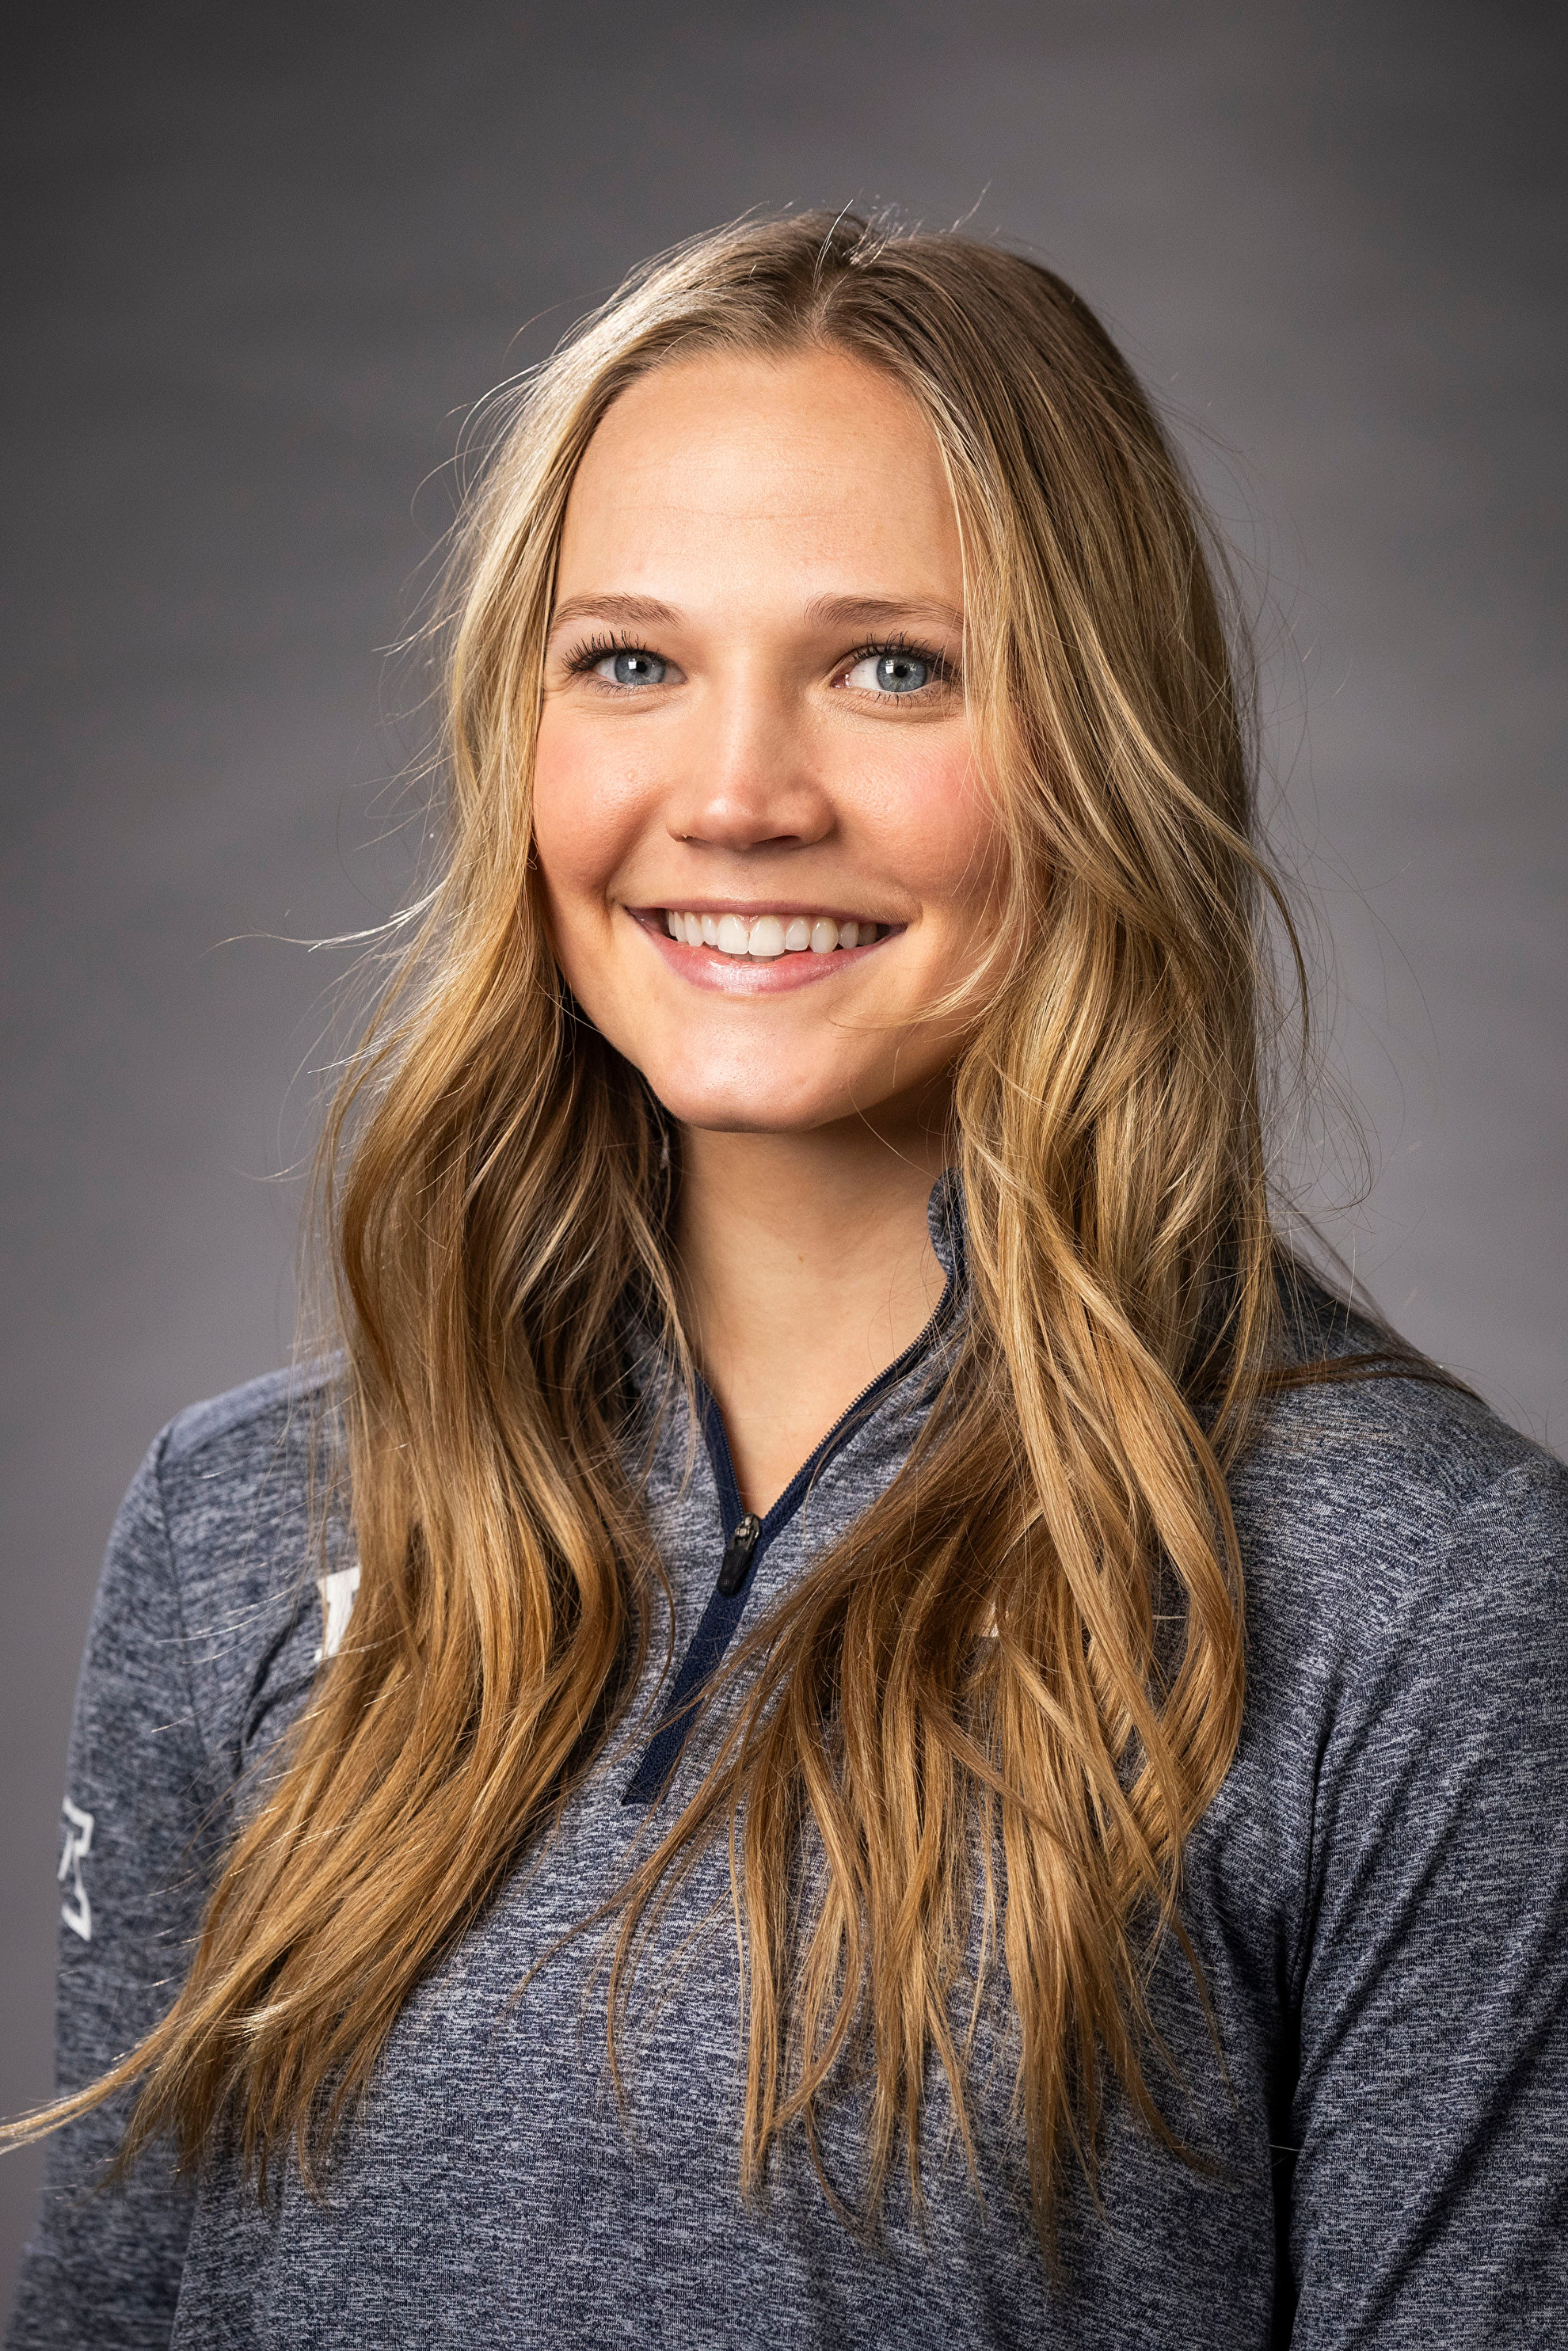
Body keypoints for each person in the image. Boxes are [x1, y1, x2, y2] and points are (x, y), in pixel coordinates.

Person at [6, 211, 1566, 2350]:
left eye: (892, 666)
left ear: (1105, 741)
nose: (735, 798)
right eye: (629, 662)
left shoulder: (1430, 1600)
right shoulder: (239, 1533)